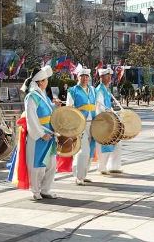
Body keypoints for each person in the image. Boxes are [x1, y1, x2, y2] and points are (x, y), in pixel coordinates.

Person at [16, 65, 58, 200]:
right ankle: (35, 190)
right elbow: (31, 117)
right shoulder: (32, 97)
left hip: (49, 133)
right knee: (37, 163)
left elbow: (48, 111)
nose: (47, 82)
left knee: (51, 163)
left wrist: (55, 106)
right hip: (40, 135)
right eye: (45, 80)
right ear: (40, 82)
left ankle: (45, 189)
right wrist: (40, 134)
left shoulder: (43, 95)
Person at [66, 65, 97, 185]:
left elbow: (96, 106)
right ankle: (78, 176)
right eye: (82, 76)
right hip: (80, 124)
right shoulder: (72, 90)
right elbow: (69, 108)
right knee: (82, 150)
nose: (85, 78)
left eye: (86, 76)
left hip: (92, 123)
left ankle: (84, 174)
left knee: (90, 150)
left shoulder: (92, 90)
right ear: (77, 77)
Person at [94, 68, 123, 174]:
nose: (109, 77)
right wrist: (110, 114)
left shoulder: (106, 90)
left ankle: (114, 166)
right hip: (103, 121)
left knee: (116, 142)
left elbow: (107, 106)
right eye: (107, 76)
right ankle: (101, 167)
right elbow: (100, 107)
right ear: (101, 77)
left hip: (109, 119)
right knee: (104, 145)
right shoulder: (99, 90)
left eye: (110, 75)